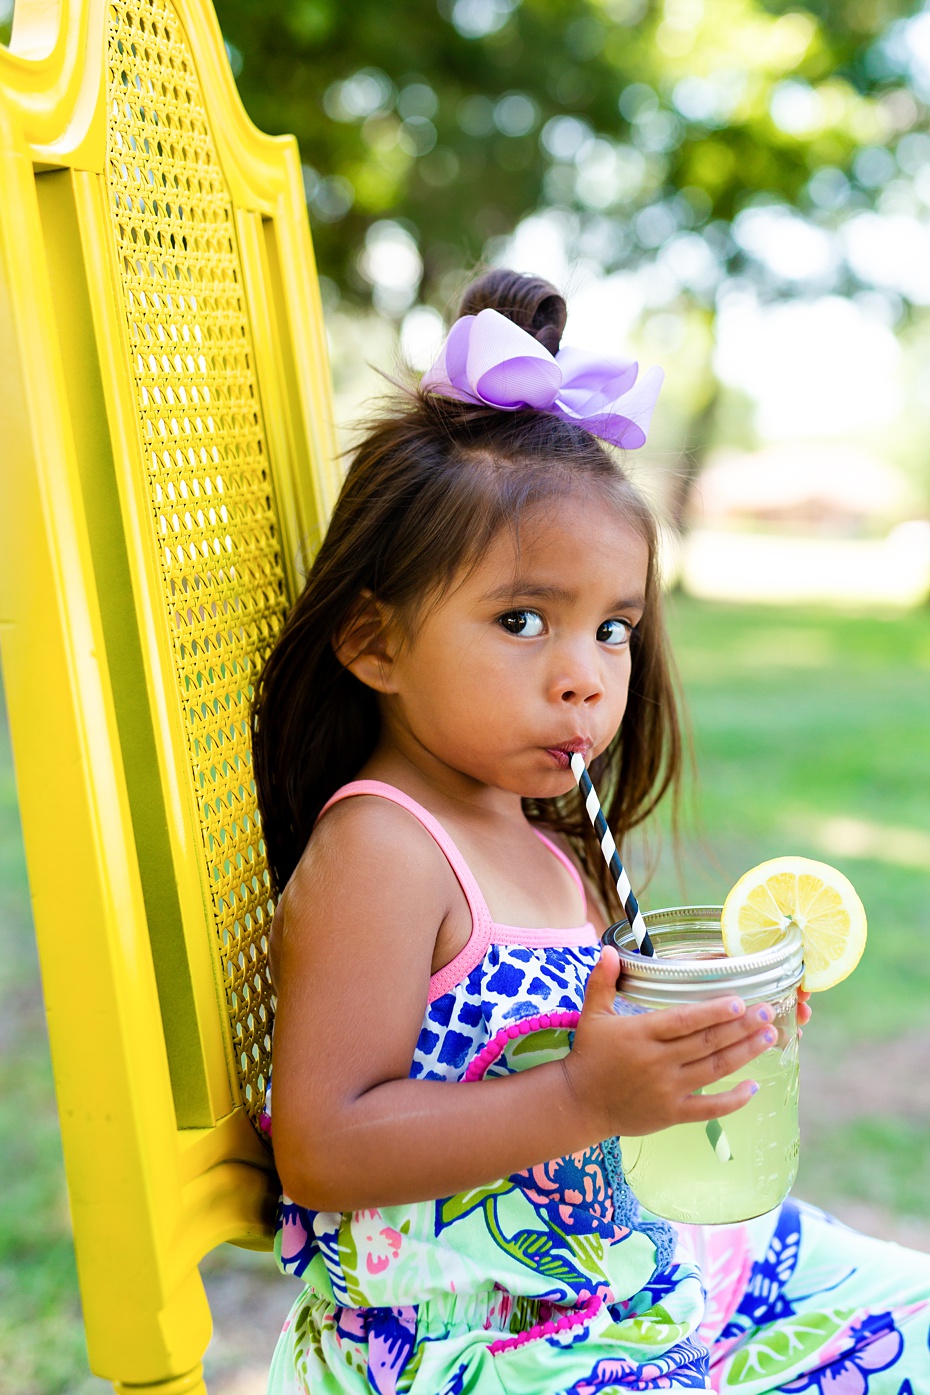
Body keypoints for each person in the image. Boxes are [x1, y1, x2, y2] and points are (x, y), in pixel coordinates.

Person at [252, 270, 930, 1394]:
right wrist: (583, 1100)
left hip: (625, 1280)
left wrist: (695, 1034)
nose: (585, 679)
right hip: (474, 1339)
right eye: (524, 621)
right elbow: (323, 1151)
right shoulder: (389, 849)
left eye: (613, 629)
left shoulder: (546, 836)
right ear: (375, 646)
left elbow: (591, 1050)